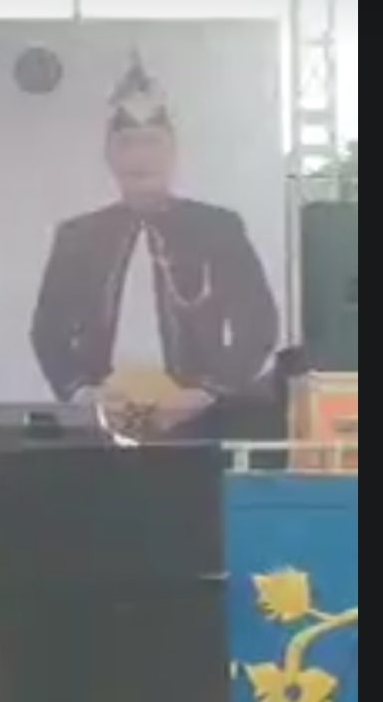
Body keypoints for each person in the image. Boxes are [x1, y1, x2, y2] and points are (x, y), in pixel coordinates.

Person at [30, 54, 279, 439]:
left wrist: (208, 392)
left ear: (172, 150)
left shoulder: (217, 227)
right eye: (126, 144)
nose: (139, 157)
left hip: (196, 419)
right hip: (101, 419)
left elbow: (259, 324)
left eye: (151, 142)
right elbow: (48, 331)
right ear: (109, 155)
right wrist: (83, 393)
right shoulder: (78, 235)